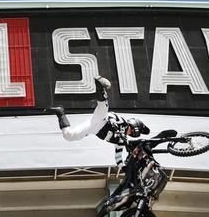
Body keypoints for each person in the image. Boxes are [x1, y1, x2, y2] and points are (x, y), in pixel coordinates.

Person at [48, 75, 151, 204]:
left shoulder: (121, 141)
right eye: (131, 131)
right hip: (101, 119)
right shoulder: (123, 123)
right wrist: (114, 124)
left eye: (131, 134)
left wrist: (123, 167)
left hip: (94, 129)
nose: (129, 133)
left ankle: (60, 112)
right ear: (133, 125)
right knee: (102, 106)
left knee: (69, 135)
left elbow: (118, 156)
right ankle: (100, 85)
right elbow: (112, 116)